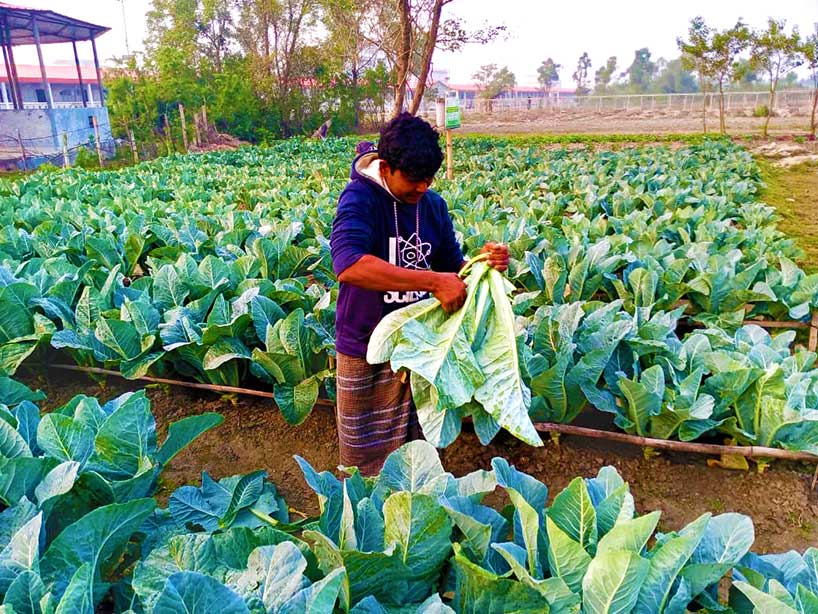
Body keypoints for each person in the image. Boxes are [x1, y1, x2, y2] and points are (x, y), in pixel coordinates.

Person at [330, 112, 509, 475]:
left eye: (429, 179)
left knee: (416, 454)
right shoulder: (359, 199)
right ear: (386, 166)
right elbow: (348, 264)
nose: (422, 188)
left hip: (422, 347)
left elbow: (451, 266)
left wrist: (484, 264)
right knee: (361, 459)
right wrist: (430, 282)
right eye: (414, 180)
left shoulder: (432, 206)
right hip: (365, 343)